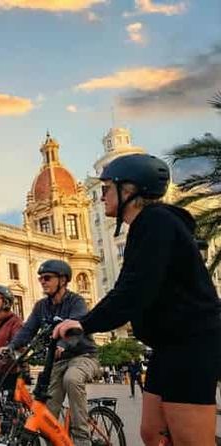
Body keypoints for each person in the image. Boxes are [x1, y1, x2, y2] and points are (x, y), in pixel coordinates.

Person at [53, 154, 221, 446]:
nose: (101, 196)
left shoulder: (156, 222)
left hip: (192, 342)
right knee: (152, 432)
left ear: (128, 190)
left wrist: (82, 323)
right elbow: (126, 289)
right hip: (167, 346)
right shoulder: (145, 226)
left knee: (191, 440)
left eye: (106, 188)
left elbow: (132, 291)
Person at [3, 259, 100, 446]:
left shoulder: (76, 301)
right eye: (40, 279)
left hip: (83, 356)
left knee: (71, 379)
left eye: (47, 278)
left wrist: (63, 343)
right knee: (47, 410)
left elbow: (77, 325)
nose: (43, 282)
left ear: (62, 280)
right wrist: (11, 346)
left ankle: (82, 439)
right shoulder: (41, 306)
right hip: (57, 361)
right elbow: (28, 329)